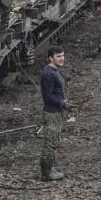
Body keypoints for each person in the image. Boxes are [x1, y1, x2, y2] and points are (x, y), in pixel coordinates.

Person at [40, 45, 72, 181]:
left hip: (57, 112)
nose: (61, 58)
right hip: (52, 113)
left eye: (63, 55)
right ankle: (46, 173)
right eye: (58, 56)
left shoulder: (54, 71)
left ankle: (51, 168)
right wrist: (63, 104)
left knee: (54, 140)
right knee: (50, 142)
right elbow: (47, 96)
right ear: (50, 58)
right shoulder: (48, 73)